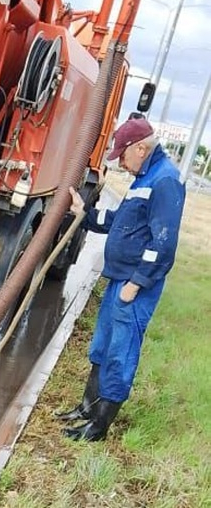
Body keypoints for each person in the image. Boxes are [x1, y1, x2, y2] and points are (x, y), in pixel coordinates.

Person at [57, 115, 185, 442]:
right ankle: (87, 409)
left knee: (120, 353)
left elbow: (163, 243)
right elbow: (119, 221)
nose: (121, 162)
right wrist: (84, 213)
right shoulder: (144, 176)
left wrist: (135, 284)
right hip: (120, 280)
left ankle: (98, 427)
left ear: (141, 148)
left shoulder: (165, 180)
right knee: (102, 346)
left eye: (123, 154)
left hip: (134, 286)